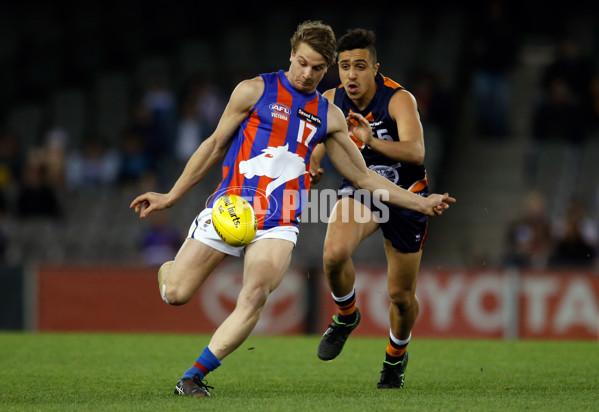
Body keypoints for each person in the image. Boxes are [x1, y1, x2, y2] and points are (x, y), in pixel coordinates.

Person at [130, 21, 455, 397]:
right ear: (291, 55)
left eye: (318, 68)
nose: (307, 74)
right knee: (176, 294)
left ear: (326, 68)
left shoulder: (329, 115)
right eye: (302, 63)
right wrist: (171, 196)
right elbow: (215, 143)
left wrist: (421, 201)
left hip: (279, 222)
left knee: (254, 296)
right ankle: (169, 272)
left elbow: (364, 178)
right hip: (230, 207)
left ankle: (193, 376)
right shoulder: (253, 90)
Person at [309, 28, 432, 389]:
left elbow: (416, 152)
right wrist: (314, 163)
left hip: (407, 195)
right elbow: (318, 139)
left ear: (375, 69)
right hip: (363, 190)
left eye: (359, 66)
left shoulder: (398, 99)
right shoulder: (330, 99)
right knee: (333, 253)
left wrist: (371, 141)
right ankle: (347, 315)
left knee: (401, 296)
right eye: (345, 66)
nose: (351, 74)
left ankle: (395, 357)